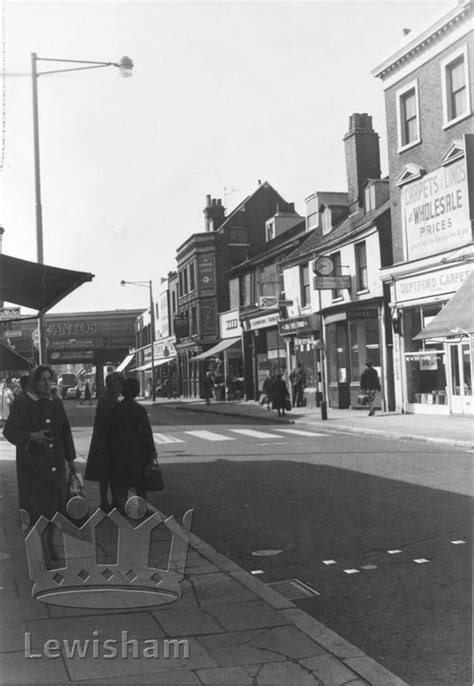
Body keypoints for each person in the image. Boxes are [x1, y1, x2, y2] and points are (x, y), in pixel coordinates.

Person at [2, 366, 77, 560]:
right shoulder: (22, 403)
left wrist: (71, 459)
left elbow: (65, 432)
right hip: (33, 466)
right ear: (34, 382)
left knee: (56, 506)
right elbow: (9, 432)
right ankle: (44, 546)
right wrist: (30, 437)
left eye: (49, 379)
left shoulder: (55, 403)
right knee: (37, 508)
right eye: (42, 379)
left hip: (56, 464)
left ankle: (49, 539)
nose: (46, 383)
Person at [107, 377, 157, 513]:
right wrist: (151, 451)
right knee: (140, 481)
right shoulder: (139, 410)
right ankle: (143, 507)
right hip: (138, 450)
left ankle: (122, 506)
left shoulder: (116, 408)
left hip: (120, 450)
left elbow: (111, 431)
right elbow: (146, 432)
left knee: (122, 481)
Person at [84, 371, 123, 511]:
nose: (120, 387)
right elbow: (109, 422)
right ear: (111, 385)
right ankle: (105, 501)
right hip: (106, 442)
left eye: (120, 384)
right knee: (106, 474)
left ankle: (114, 500)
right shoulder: (107, 400)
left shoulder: (110, 398)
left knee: (111, 472)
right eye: (117, 384)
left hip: (108, 441)